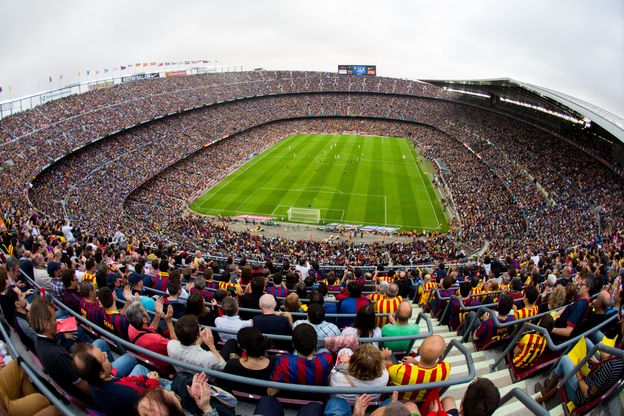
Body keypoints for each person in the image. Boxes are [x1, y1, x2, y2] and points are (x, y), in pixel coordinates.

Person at [71, 342, 158, 416]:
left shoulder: (91, 384)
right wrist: (153, 381)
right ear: (102, 374)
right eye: (104, 358)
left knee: (139, 368)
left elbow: (122, 380)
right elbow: (155, 404)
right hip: (149, 404)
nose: (105, 354)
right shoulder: (129, 393)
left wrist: (145, 378)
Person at [536, 338, 624, 406]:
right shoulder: (619, 360)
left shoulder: (611, 366)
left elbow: (587, 394)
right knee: (586, 341)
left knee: (564, 359)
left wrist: (578, 373)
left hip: (578, 394)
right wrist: (597, 363)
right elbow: (607, 366)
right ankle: (552, 384)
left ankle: (546, 392)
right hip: (589, 380)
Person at [268, 323, 333, 396]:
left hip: (293, 397)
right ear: (316, 344)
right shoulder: (326, 359)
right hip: (317, 396)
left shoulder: (283, 361)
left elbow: (270, 392)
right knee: (324, 351)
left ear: (293, 344)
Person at [386, 334, 450, 401]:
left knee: (389, 353)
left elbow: (389, 366)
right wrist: (414, 361)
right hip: (424, 402)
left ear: (419, 349)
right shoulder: (446, 368)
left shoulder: (401, 371)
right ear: (441, 356)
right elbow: (427, 368)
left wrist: (387, 357)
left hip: (400, 400)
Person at [220, 327, 277, 396]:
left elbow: (223, 385)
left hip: (239, 400)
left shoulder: (232, 364)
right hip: (264, 400)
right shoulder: (275, 362)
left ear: (243, 348)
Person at [126, 300, 176, 373]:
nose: (147, 311)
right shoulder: (157, 340)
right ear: (144, 320)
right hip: (168, 366)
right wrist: (169, 321)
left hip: (150, 358)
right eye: (145, 310)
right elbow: (177, 347)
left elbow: (148, 330)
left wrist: (158, 314)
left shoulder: (131, 327)